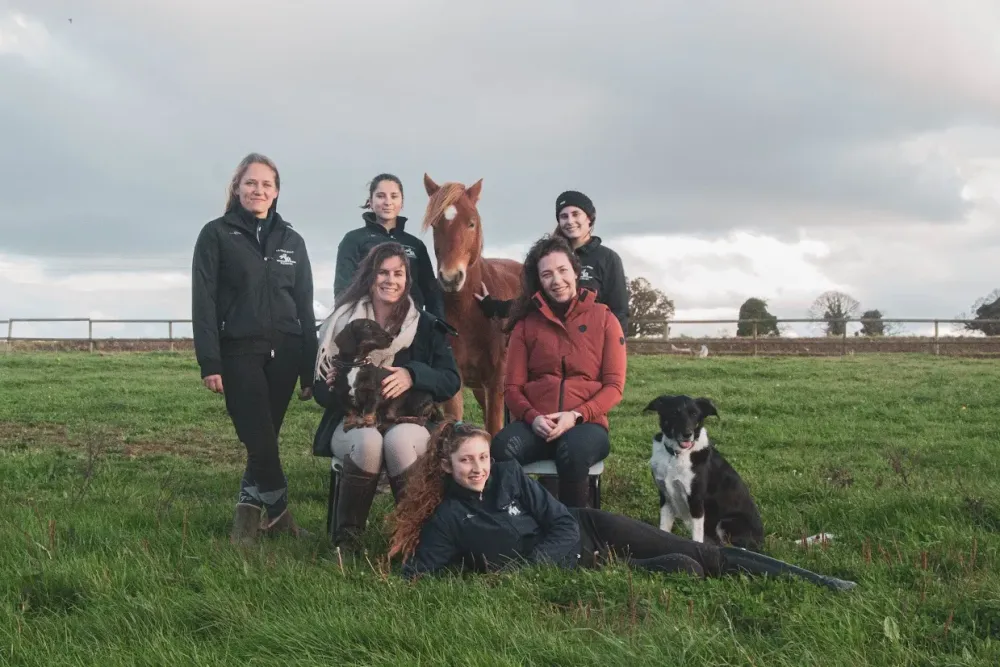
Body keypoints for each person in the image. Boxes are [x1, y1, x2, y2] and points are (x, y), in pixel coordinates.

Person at [388, 420, 857, 592]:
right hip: (584, 568)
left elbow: (561, 524)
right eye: (466, 461)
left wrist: (529, 569)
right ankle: (660, 567)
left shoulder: (510, 476)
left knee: (705, 557)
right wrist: (397, 576)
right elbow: (422, 572)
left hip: (589, 531)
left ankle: (822, 582)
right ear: (446, 466)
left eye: (483, 457)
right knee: (672, 567)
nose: (478, 468)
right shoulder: (450, 518)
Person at [191, 152, 317, 546]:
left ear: (276, 192)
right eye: (250, 183)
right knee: (258, 437)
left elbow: (305, 305)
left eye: (266, 184)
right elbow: (203, 301)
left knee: (265, 437)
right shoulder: (216, 234)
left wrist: (308, 367)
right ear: (237, 188)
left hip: (288, 351)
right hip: (238, 352)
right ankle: (280, 513)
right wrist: (210, 361)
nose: (258, 190)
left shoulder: (292, 241)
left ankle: (245, 522)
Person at [312, 242, 461, 551]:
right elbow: (321, 395)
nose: (390, 280)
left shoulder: (425, 325)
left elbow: (451, 381)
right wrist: (333, 385)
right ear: (370, 277)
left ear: (408, 279)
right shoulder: (341, 323)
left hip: (407, 418)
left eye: (398, 273)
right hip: (352, 421)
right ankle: (347, 543)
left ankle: (414, 538)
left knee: (398, 439)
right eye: (382, 272)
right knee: (368, 441)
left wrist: (413, 374)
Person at [491, 234, 626, 508]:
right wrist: (532, 417)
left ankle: (576, 531)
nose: (557, 280)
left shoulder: (605, 319)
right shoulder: (526, 324)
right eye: (547, 274)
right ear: (539, 280)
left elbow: (614, 386)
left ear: (576, 272)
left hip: (586, 424)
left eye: (563, 270)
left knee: (573, 452)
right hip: (536, 423)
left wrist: (576, 415)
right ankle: (521, 520)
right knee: (502, 448)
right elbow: (512, 388)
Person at [475, 190, 629, 333]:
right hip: (551, 342)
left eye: (576, 214)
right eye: (564, 216)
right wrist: (493, 307)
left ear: (589, 218)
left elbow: (619, 312)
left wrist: (613, 348)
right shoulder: (546, 257)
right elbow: (531, 302)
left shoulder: (608, 259)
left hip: (591, 344)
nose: (570, 221)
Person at [333, 173, 445, 320]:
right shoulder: (353, 240)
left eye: (394, 196)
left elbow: (431, 292)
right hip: (368, 327)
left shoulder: (415, 245)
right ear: (370, 202)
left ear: (402, 203)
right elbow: (343, 290)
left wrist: (438, 331)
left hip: (411, 328)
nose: (388, 202)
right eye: (380, 196)